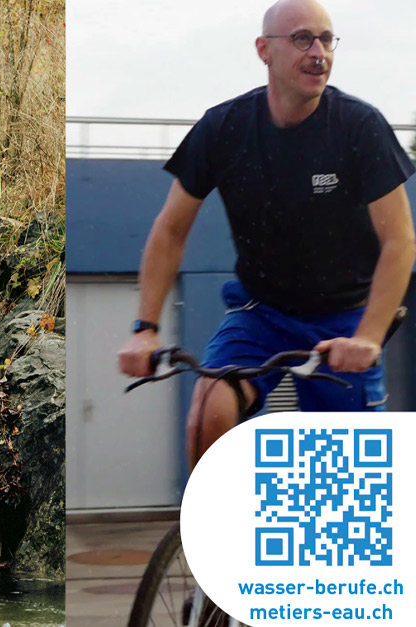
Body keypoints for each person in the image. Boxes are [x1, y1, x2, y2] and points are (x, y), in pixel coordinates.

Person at [117, 0, 414, 466]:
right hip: (262, 314)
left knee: (347, 481)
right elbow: (171, 230)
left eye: (327, 39)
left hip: (346, 323)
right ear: (264, 50)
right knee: (206, 414)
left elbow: (400, 240)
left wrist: (370, 337)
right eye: (301, 39)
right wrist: (145, 329)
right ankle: (219, 533)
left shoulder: (360, 127)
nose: (319, 52)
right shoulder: (225, 127)